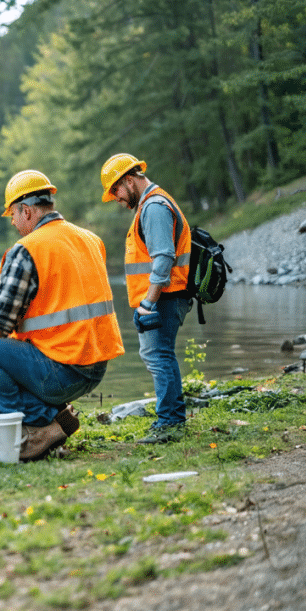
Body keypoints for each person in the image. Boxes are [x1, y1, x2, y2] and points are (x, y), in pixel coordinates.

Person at [0, 170, 125, 461]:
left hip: (63, 370)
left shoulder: (28, 250)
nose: (13, 222)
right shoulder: (90, 239)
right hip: (96, 367)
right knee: (4, 364)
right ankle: (55, 416)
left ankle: (41, 423)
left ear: (27, 211)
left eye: (13, 214)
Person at [101, 153, 193, 444]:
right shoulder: (150, 204)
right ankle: (171, 418)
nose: (116, 198)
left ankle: (170, 423)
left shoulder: (153, 207)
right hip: (164, 296)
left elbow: (164, 258)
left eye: (116, 190)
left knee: (158, 356)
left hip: (164, 297)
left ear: (130, 180)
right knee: (159, 355)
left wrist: (148, 303)